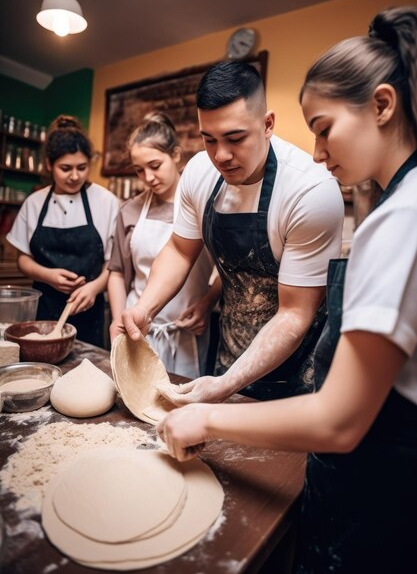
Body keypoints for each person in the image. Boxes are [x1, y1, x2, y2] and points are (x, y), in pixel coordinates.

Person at [157, 6, 417, 574]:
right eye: (209, 141)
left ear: (382, 106)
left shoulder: (398, 218)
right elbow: (182, 250)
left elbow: (339, 420)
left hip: (378, 485)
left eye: (323, 128)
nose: (320, 153)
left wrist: (208, 415)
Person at [111, 61, 344, 400]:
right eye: (209, 139)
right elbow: (179, 250)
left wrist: (225, 384)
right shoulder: (198, 172)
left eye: (235, 139)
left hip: (299, 372)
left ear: (267, 124)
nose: (221, 155)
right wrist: (143, 310)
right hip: (230, 354)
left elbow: (295, 314)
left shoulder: (310, 192)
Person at [108, 112, 216, 379]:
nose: (148, 177)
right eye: (139, 170)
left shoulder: (205, 207)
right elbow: (117, 271)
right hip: (139, 331)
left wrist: (206, 303)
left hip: (187, 332)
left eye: (155, 165)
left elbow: (230, 270)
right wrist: (119, 318)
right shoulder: (130, 211)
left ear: (176, 156)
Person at [6, 115, 119, 346]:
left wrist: (94, 288)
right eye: (65, 168)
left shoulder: (105, 201)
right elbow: (23, 260)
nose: (75, 176)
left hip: (88, 308)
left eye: (82, 167)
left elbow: (114, 263)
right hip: (44, 307)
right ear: (49, 164)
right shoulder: (35, 202)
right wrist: (48, 276)